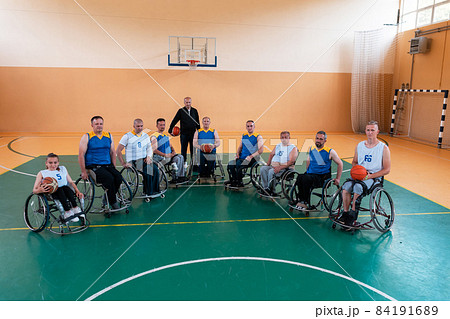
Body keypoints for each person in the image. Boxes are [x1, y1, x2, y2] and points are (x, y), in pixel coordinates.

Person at [338, 121, 391, 226]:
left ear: (377, 132)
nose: (370, 132)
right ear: (365, 131)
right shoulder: (360, 146)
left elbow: (387, 169)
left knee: (358, 187)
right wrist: (357, 170)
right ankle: (345, 213)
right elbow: (354, 162)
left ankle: (352, 216)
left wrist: (369, 176)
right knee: (346, 186)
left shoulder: (383, 148)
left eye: (372, 130)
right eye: (368, 130)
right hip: (360, 175)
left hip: (374, 178)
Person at [78, 116, 123, 210]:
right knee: (109, 178)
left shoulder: (108, 135)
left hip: (107, 164)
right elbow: (81, 155)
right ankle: (113, 201)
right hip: (93, 166)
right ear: (92, 125)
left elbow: (112, 152)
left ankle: (107, 196)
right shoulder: (87, 137)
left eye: (101, 124)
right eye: (96, 124)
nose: (99, 126)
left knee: (118, 177)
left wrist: (113, 167)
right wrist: (83, 171)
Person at [293, 131, 343, 210]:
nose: (318, 141)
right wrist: (307, 171)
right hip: (311, 174)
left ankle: (305, 202)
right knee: (300, 177)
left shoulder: (330, 151)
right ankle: (301, 200)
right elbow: (308, 160)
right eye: (317, 138)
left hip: (322, 177)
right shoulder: (312, 148)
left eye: (321, 139)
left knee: (306, 179)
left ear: (325, 141)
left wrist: (338, 178)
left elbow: (340, 163)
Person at [33, 153, 84, 222]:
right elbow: (34, 190)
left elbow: (71, 182)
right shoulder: (42, 173)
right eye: (50, 163)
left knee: (66, 188)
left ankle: (75, 208)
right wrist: (40, 190)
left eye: (55, 162)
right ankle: (67, 212)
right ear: (46, 163)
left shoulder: (63, 169)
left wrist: (77, 191)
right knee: (60, 189)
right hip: (51, 193)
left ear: (58, 163)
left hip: (66, 191)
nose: (53, 165)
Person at [116, 119, 160, 196]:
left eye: (141, 126)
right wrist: (123, 163)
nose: (140, 128)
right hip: (133, 161)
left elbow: (149, 148)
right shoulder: (127, 136)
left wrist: (149, 156)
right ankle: (148, 192)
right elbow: (118, 150)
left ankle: (155, 190)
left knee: (155, 169)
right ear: (134, 126)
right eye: (138, 126)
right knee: (148, 170)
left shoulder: (145, 136)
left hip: (143, 159)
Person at [225, 120, 264, 187]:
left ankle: (239, 182)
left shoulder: (258, 137)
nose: (249, 127)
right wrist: (237, 154)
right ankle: (234, 180)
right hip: (242, 158)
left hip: (252, 159)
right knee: (231, 164)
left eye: (251, 126)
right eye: (248, 126)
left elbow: (261, 150)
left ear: (254, 126)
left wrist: (251, 156)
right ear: (246, 127)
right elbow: (240, 147)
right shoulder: (244, 135)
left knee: (238, 164)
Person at [259, 131, 298, 195]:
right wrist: (268, 164)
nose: (284, 139)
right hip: (274, 165)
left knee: (271, 171)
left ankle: (271, 190)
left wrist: (280, 167)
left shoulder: (292, 148)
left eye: (286, 137)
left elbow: (291, 162)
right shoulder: (278, 146)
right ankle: (265, 188)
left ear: (289, 138)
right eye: (282, 137)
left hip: (285, 168)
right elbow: (271, 154)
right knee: (263, 169)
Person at [151, 118, 187, 183]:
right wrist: (166, 155)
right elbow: (154, 150)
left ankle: (179, 177)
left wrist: (173, 152)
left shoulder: (166, 135)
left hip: (169, 156)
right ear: (157, 126)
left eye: (164, 125)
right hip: (160, 157)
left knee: (180, 157)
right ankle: (174, 177)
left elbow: (171, 146)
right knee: (169, 159)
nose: (162, 127)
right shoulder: (154, 136)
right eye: (161, 125)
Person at [168, 97, 200, 166]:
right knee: (183, 149)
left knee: (193, 150)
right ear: (184, 103)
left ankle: (194, 163)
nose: (188, 104)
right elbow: (175, 120)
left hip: (193, 134)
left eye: (189, 102)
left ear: (191, 102)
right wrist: (170, 129)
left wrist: (199, 132)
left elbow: (198, 122)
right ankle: (184, 163)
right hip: (184, 134)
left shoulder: (195, 111)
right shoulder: (181, 111)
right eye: (186, 102)